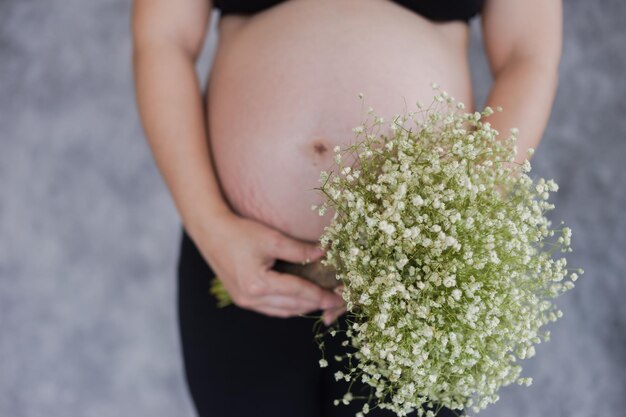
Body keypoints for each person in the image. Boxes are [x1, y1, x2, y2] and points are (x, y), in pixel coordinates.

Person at [131, 0, 563, 416]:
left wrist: (457, 217)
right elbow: (162, 38)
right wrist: (209, 225)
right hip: (241, 261)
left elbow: (528, 55)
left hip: (423, 277)